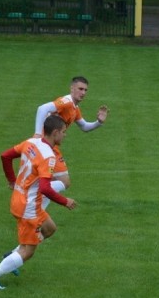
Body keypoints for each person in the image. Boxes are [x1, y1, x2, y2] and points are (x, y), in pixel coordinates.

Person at [0, 115, 78, 290]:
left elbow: (5, 156)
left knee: (50, 229)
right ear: (55, 133)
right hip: (29, 207)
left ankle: (12, 256)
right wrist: (66, 202)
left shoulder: (31, 142)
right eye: (64, 132)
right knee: (28, 251)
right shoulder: (49, 157)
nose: (65, 135)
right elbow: (45, 188)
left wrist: (12, 180)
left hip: (20, 198)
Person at [34, 76, 108, 209]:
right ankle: (34, 193)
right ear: (72, 88)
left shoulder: (75, 108)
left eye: (85, 90)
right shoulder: (66, 102)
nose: (83, 92)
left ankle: (38, 207)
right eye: (80, 89)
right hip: (46, 146)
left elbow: (84, 127)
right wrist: (38, 135)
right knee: (64, 182)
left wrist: (99, 122)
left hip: (51, 146)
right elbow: (42, 109)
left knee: (54, 181)